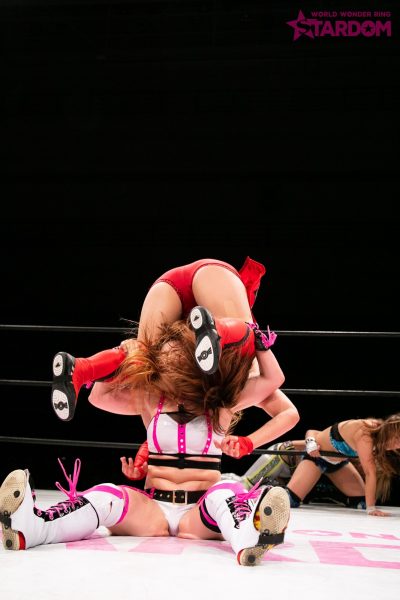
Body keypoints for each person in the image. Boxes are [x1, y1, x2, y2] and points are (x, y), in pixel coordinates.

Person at [0, 328, 292, 565]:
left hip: (200, 511)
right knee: (107, 494)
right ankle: (34, 528)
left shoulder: (220, 402)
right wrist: (123, 354)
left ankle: (249, 536)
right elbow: (99, 397)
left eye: (180, 353)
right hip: (153, 509)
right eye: (167, 353)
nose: (172, 359)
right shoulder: (152, 399)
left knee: (226, 492)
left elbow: (273, 379)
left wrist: (257, 340)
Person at [52, 257, 299, 461]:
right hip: (215, 282)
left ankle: (81, 368)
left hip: (168, 290)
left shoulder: (155, 398)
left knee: (143, 361)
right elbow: (287, 409)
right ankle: (221, 332)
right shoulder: (231, 396)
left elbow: (98, 398)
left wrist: (127, 351)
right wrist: (249, 442)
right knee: (245, 365)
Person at [285, 415, 400, 517]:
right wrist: (371, 509)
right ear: (389, 431)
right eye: (396, 439)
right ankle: (274, 484)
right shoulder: (366, 434)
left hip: (339, 464)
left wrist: (369, 506)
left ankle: (328, 492)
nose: (397, 445)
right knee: (289, 501)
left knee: (361, 502)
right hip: (317, 458)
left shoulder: (379, 433)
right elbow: (370, 472)